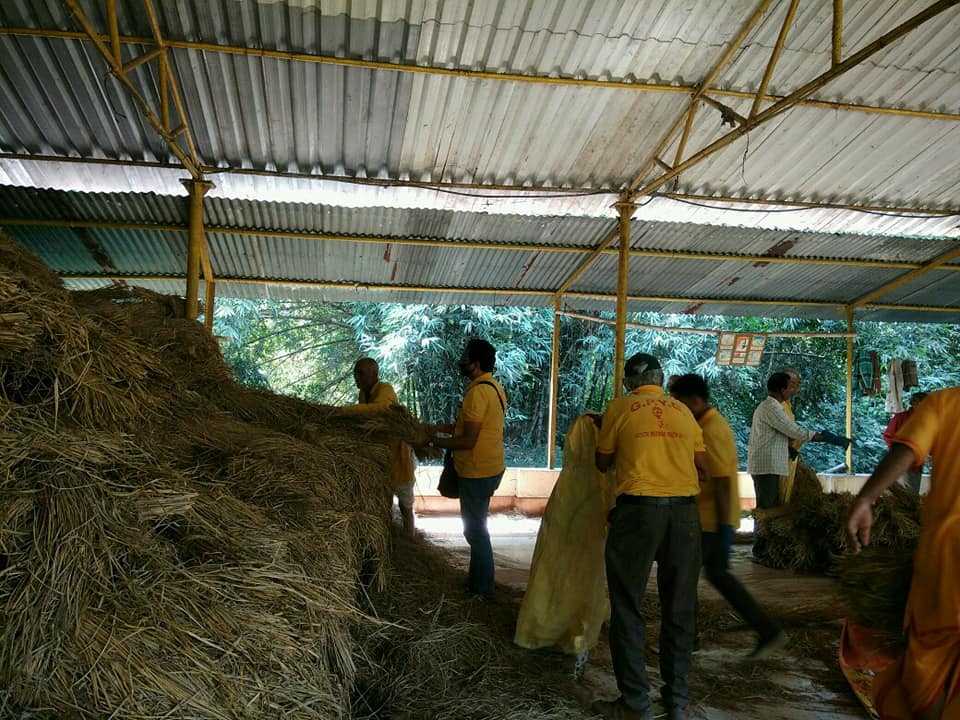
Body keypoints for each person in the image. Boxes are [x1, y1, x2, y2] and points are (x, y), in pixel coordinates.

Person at [591, 352, 708, 720]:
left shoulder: (619, 408)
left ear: (629, 382)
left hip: (638, 513)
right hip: (685, 516)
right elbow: (703, 468)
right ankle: (677, 701)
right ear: (660, 379)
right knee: (680, 607)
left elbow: (602, 461)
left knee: (628, 606)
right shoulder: (684, 412)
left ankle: (634, 702)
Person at [846, 386, 960, 720]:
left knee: (928, 668)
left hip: (947, 562)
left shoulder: (945, 403)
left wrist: (865, 499)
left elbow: (907, 449)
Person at [670, 374, 788, 660]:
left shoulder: (713, 429)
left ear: (695, 400)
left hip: (710, 520)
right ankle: (766, 631)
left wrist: (724, 528)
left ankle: (688, 639)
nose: (678, 409)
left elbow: (723, 481)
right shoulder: (702, 425)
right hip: (707, 517)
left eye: (680, 403)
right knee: (711, 577)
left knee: (684, 579)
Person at [426, 339, 506, 600]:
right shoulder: (493, 387)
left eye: (465, 357)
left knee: (475, 531)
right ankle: (477, 581)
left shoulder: (478, 393)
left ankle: (483, 589)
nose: (461, 361)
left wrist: (432, 441)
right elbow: (465, 427)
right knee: (476, 527)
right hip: (490, 467)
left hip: (477, 470)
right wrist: (436, 428)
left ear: (476, 363)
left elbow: (468, 440)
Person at [342, 357, 417, 536]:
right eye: (355, 373)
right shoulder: (363, 394)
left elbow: (379, 409)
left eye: (361, 373)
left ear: (374, 374)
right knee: (384, 500)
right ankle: (389, 538)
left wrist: (342, 411)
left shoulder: (385, 389)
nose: (357, 377)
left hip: (399, 455)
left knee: (405, 504)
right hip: (382, 457)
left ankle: (411, 538)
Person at [748, 372, 823, 513]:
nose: (793, 391)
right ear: (782, 390)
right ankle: (760, 529)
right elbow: (793, 431)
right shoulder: (772, 408)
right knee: (766, 510)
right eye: (790, 387)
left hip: (770, 465)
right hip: (766, 466)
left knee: (771, 507)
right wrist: (822, 437)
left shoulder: (776, 406)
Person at [882, 390, 928, 493]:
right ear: (914, 404)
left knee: (911, 494)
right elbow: (888, 435)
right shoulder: (901, 417)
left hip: (916, 464)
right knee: (897, 494)